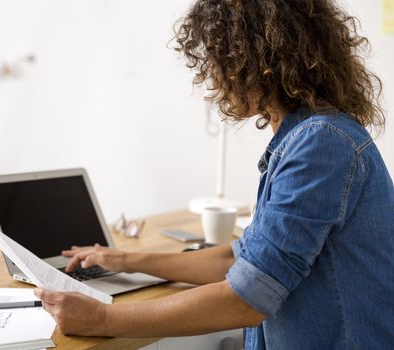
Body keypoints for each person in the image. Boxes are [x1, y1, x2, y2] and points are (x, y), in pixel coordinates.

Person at [34, 0, 394, 348]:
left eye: (220, 59)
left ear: (257, 59)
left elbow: (248, 299)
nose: (215, 77)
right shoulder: (314, 137)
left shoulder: (320, 144)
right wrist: (125, 260)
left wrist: (101, 318)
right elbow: (237, 261)